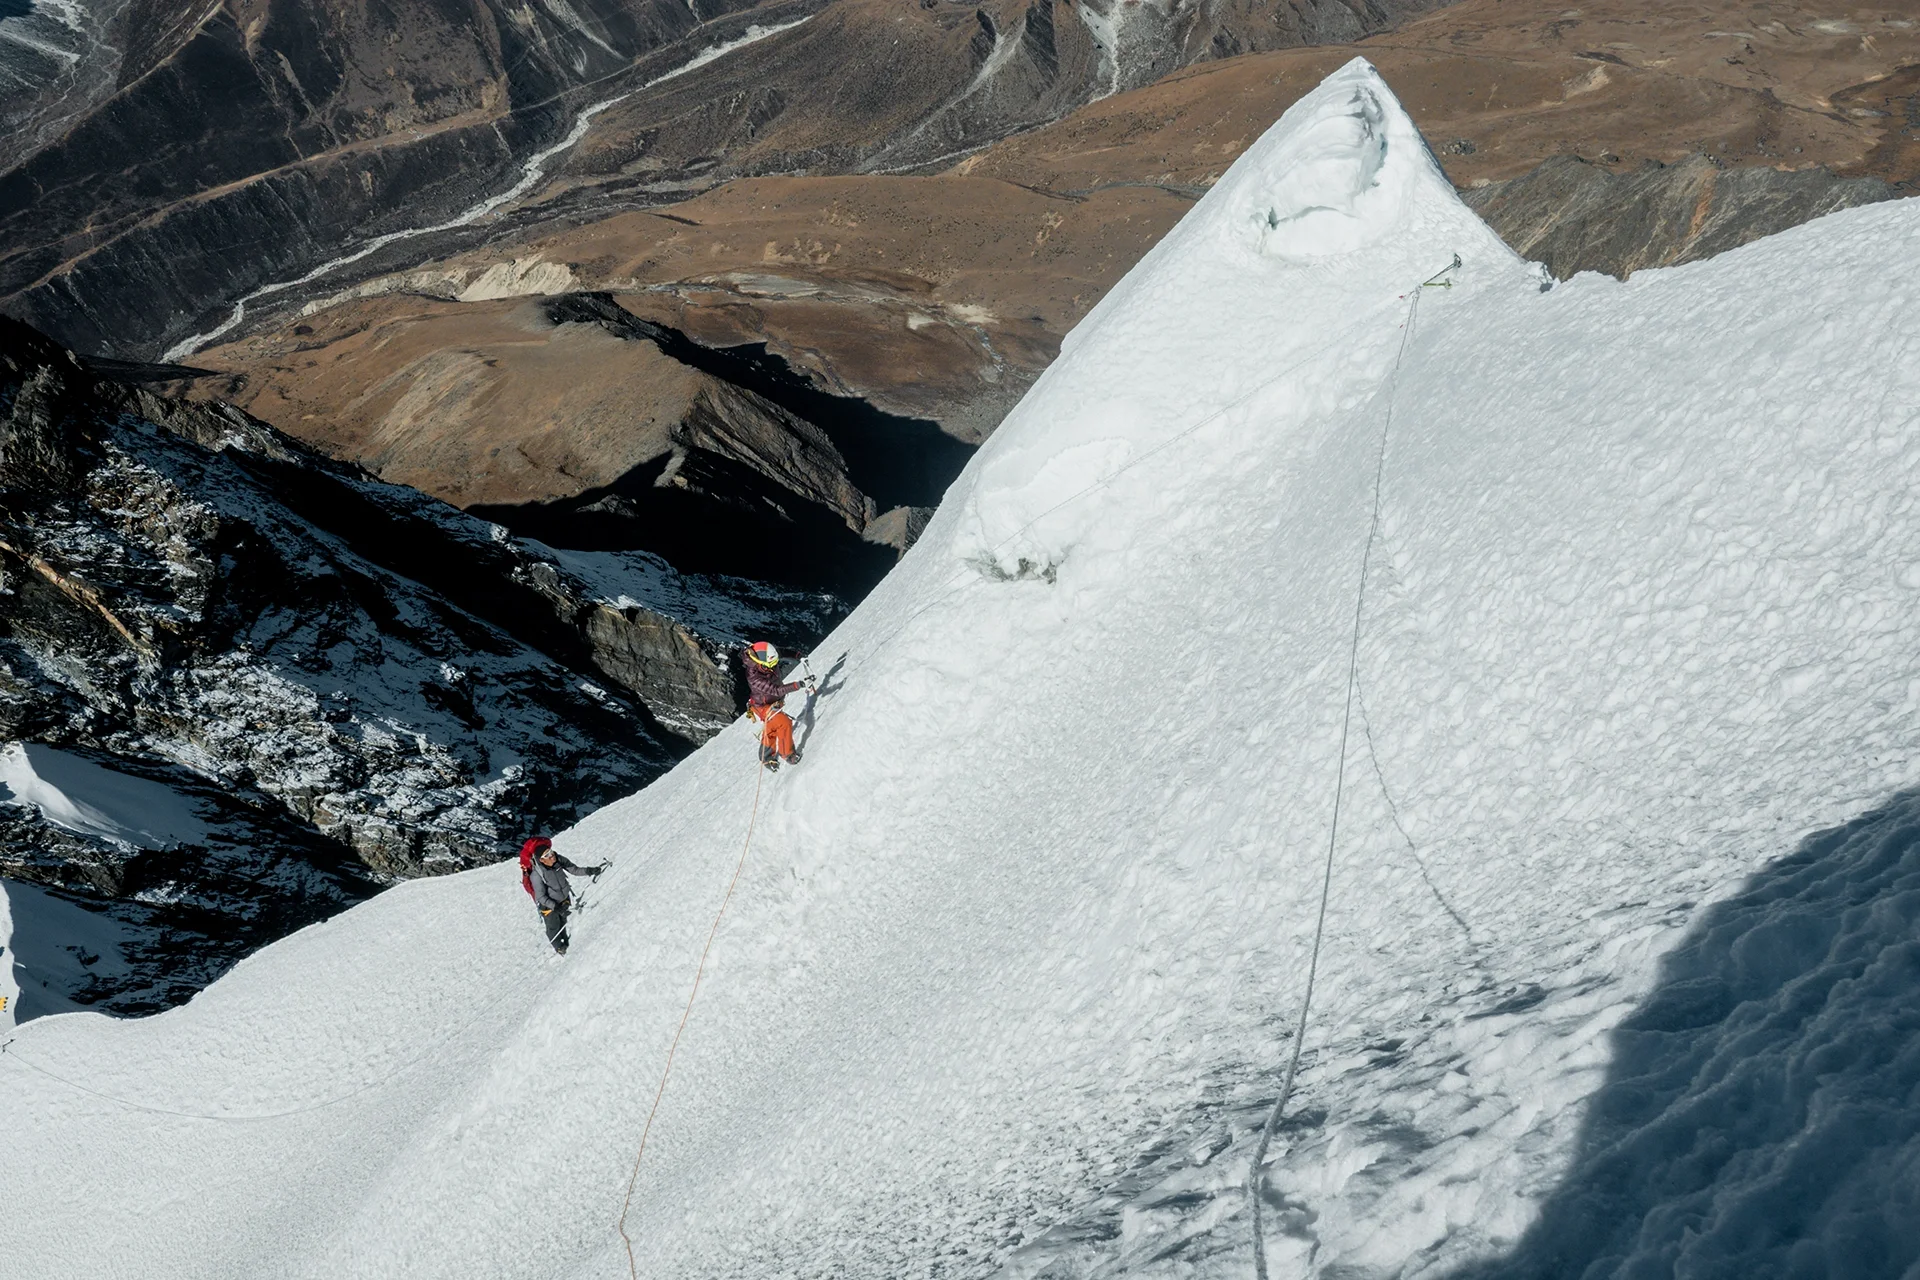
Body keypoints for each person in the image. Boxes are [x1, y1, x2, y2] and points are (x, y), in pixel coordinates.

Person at [743, 640, 814, 771]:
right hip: (762, 706)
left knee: (772, 728)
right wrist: (799, 685)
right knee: (783, 723)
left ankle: (766, 757)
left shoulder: (766, 657)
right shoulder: (754, 676)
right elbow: (775, 690)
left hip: (772, 702)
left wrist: (798, 655)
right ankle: (788, 754)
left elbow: (782, 652)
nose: (775, 665)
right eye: (772, 664)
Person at [528, 843, 604, 955]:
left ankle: (565, 940)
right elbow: (541, 897)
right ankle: (559, 947)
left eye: (551, 852)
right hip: (549, 907)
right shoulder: (536, 875)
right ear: (542, 860)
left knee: (563, 922)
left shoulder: (558, 860)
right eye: (547, 855)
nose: (552, 856)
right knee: (553, 927)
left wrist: (589, 871)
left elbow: (574, 869)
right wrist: (555, 907)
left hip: (564, 899)